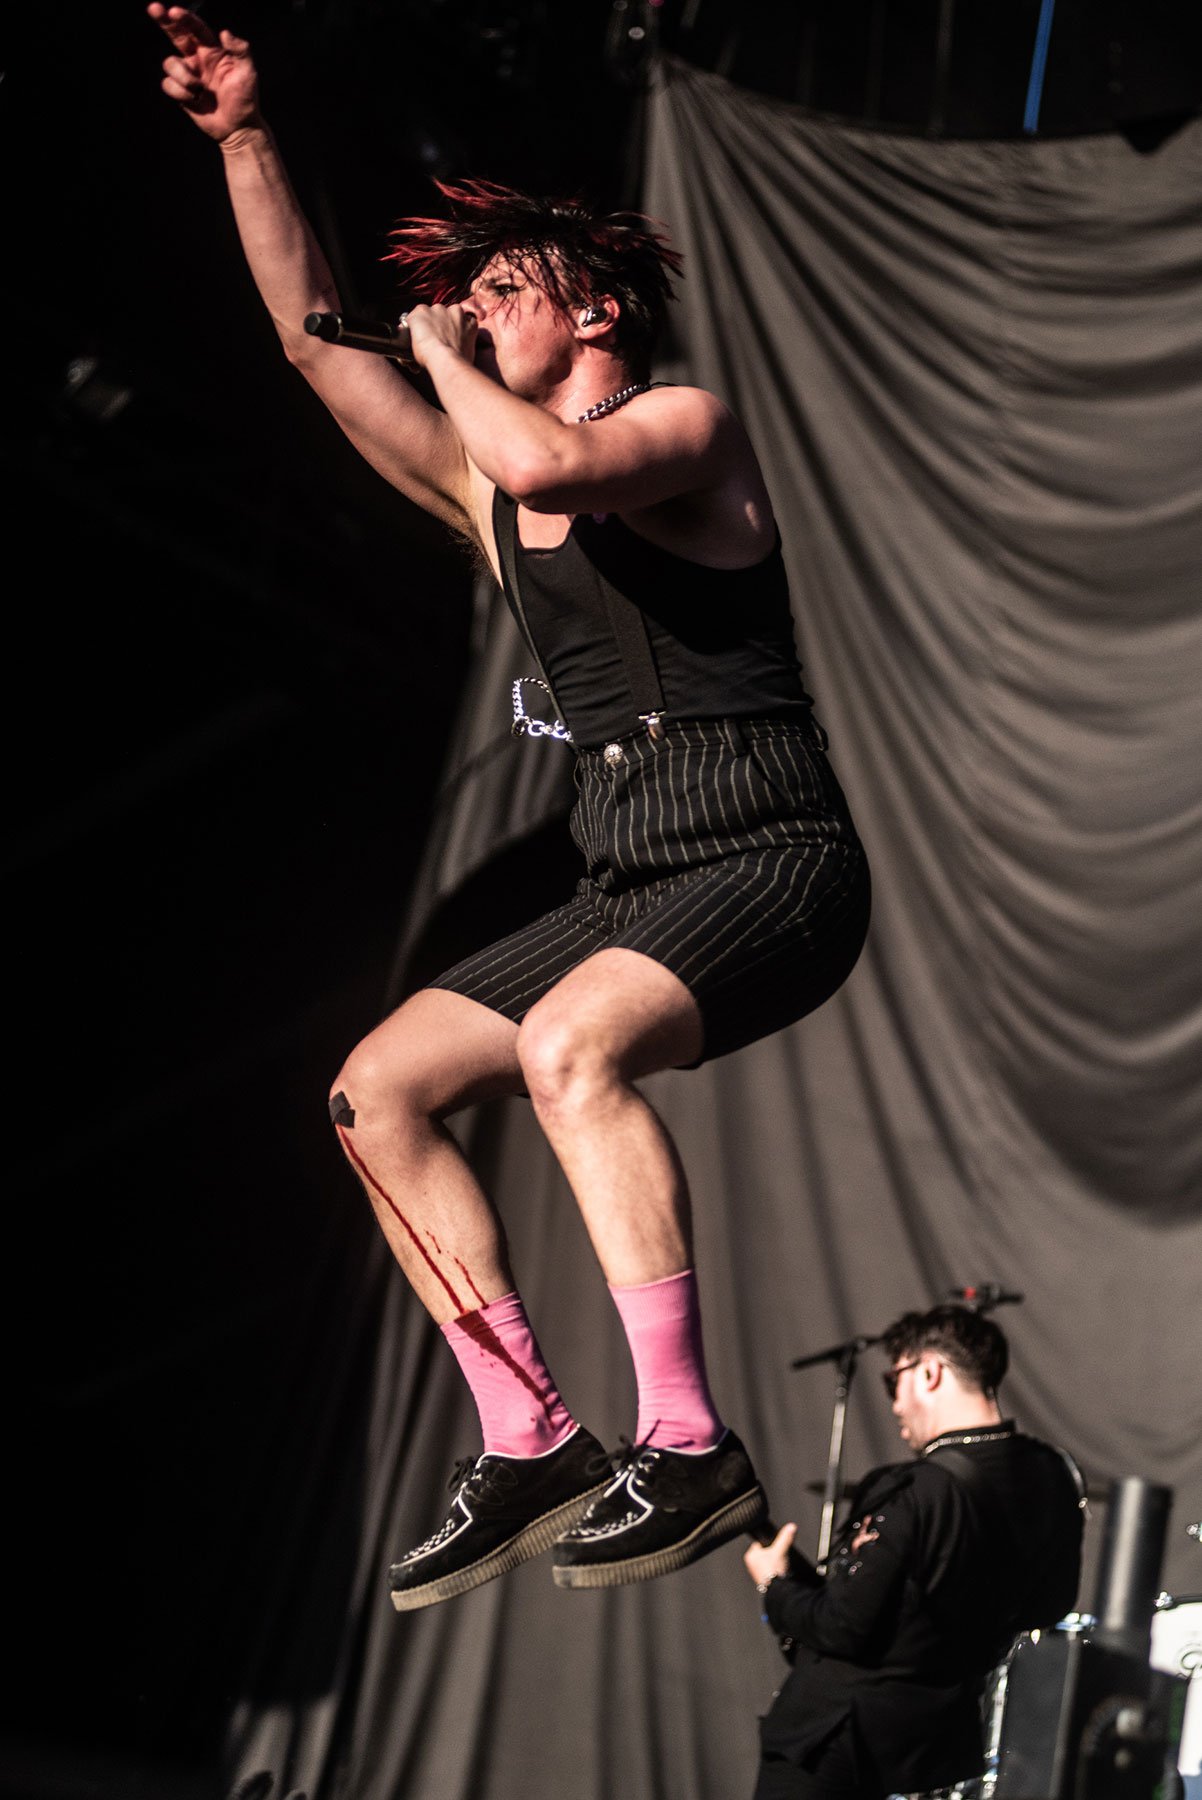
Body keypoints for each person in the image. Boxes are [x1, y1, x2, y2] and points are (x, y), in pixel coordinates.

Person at [150, 5, 871, 1610]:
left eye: (501, 287)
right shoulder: (495, 482)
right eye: (463, 296)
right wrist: (248, 137)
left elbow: (545, 467)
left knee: (567, 1051)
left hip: (772, 858)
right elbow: (312, 350)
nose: (466, 310)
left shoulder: (680, 427)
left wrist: (437, 355)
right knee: (374, 1091)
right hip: (629, 877)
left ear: (596, 305)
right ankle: (531, 1435)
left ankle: (684, 1443)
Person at [743, 1305, 1086, 1800]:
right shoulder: (1054, 1475)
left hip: (838, 1746)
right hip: (938, 1753)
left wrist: (774, 1583)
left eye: (893, 1381)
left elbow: (841, 1626)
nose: (894, 1404)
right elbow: (1050, 1605)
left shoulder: (915, 1490)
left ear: (930, 1372)